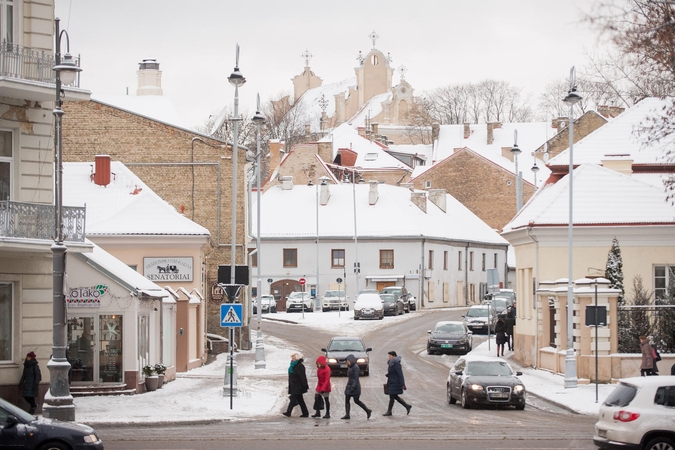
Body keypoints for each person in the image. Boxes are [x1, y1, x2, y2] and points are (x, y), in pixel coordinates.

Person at [341, 354, 372, 420]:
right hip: (349, 385)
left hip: (354, 387)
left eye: (347, 361)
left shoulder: (356, 367)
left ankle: (367, 410)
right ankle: (347, 414)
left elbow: (356, 379)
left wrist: (353, 387)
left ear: (351, 360)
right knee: (347, 400)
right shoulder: (350, 367)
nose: (347, 362)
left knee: (356, 401)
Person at [383, 351, 412, 416]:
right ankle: (407, 406)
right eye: (389, 356)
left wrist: (403, 384)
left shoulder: (396, 364)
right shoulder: (391, 363)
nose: (389, 357)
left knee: (392, 397)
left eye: (390, 356)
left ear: (394, 356)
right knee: (394, 396)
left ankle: (389, 411)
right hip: (391, 381)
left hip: (395, 382)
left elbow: (400, 374)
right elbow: (393, 372)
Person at [283, 353, 309, 417]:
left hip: (298, 385)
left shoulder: (300, 366)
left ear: (297, 358)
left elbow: (302, 376)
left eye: (293, 357)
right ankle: (305, 413)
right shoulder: (293, 365)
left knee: (293, 398)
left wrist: (304, 385)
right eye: (292, 357)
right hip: (294, 385)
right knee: (300, 400)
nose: (292, 359)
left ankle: (289, 412)